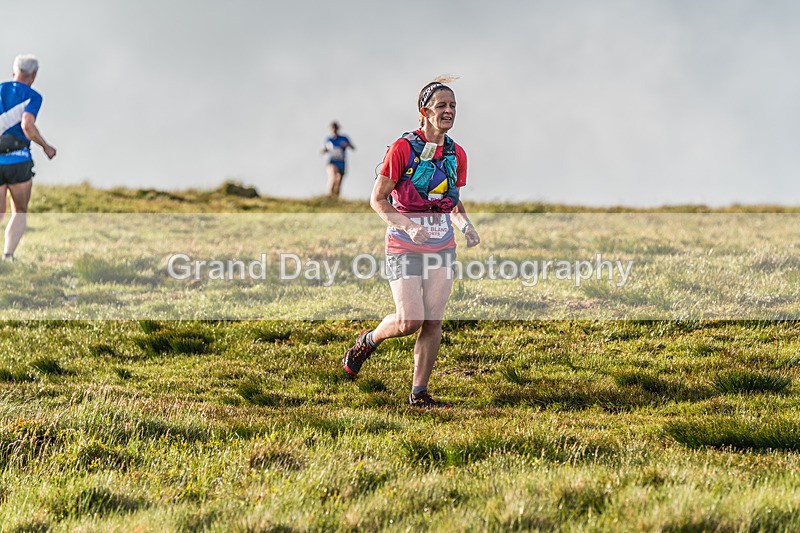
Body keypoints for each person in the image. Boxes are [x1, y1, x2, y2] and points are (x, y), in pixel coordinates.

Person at [343, 76, 481, 407]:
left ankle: (420, 393)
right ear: (424, 111)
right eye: (441, 106)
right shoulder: (403, 148)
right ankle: (368, 340)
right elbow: (378, 199)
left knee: (433, 319)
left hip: (442, 245)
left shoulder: (456, 154)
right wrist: (407, 226)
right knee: (410, 319)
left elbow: (452, 199)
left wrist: (466, 225)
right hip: (404, 245)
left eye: (453, 106)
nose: (448, 111)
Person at [0, 54, 57, 262]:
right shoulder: (33, 96)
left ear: (14, 71)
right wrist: (46, 146)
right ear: (33, 75)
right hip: (19, 161)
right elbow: (27, 125)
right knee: (20, 211)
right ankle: (8, 256)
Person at [321, 121, 354, 196]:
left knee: (339, 180)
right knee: (333, 177)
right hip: (332, 161)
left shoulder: (344, 138)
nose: (334, 130)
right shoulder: (329, 139)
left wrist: (347, 145)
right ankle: (329, 196)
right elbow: (326, 148)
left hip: (341, 162)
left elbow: (353, 148)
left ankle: (336, 198)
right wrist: (324, 150)